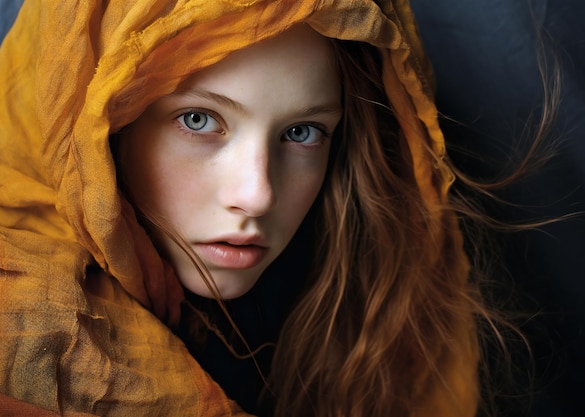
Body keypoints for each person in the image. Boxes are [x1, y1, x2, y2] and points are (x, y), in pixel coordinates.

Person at [0, 1, 480, 416]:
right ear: (104, 129)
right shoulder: (23, 331)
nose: (258, 195)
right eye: (198, 119)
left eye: (302, 132)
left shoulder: (349, 308)